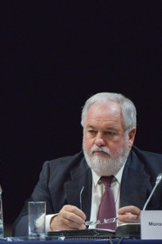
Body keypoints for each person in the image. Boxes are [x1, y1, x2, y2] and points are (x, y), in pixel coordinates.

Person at [13, 92, 162, 236]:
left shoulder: (157, 171)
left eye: (109, 133)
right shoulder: (54, 173)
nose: (98, 141)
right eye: (91, 131)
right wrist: (53, 223)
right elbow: (20, 227)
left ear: (130, 136)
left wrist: (147, 224)